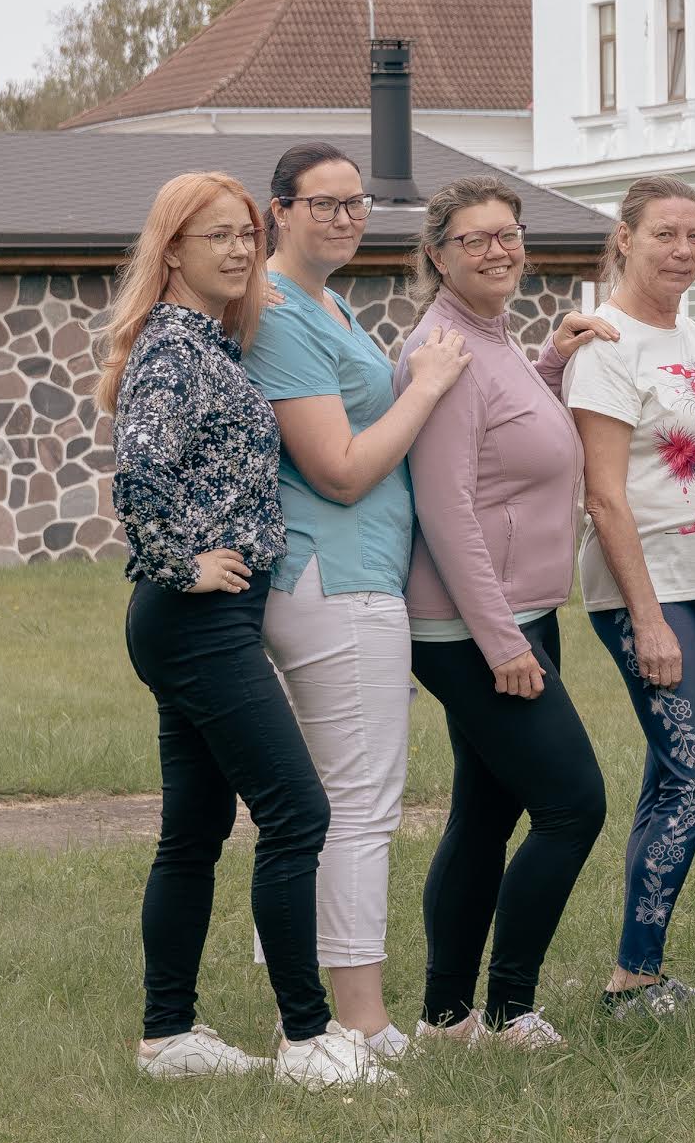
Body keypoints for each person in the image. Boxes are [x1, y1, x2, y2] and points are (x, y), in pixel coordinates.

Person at [101, 170, 386, 1090]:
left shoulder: (207, 341)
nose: (234, 249)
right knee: (297, 810)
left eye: (241, 234)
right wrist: (188, 561)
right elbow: (136, 472)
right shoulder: (174, 350)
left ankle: (167, 1033)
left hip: (203, 619)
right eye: (213, 235)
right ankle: (308, 1041)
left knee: (193, 827)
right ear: (172, 249)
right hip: (194, 619)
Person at [244, 144, 471, 1059]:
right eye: (324, 204)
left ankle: (310, 1004)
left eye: (357, 203)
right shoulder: (279, 314)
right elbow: (339, 471)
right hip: (333, 578)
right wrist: (425, 387)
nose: (345, 218)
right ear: (279, 210)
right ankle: (355, 1020)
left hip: (349, 577)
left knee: (323, 801)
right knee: (358, 803)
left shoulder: (324, 301)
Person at [401, 176, 608, 1049]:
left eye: (509, 234)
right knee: (573, 804)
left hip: (516, 615)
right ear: (438, 254)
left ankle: (446, 1016)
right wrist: (501, 643)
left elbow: (513, 437)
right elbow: (446, 510)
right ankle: (509, 1007)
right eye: (477, 238)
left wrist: (553, 361)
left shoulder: (489, 338)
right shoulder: (443, 347)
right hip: (475, 627)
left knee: (486, 812)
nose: (499, 249)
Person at [564, 177, 695, 1018]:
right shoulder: (606, 346)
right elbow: (604, 494)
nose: (683, 249)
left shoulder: (690, 337)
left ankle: (636, 974)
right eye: (666, 234)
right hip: (652, 592)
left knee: (669, 776)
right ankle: (633, 977)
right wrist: (646, 621)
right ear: (625, 238)